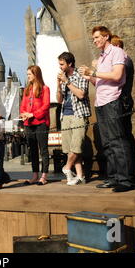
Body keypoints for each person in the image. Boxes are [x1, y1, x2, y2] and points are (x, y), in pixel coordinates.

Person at [78, 26, 135, 192]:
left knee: (118, 140)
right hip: (101, 102)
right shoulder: (102, 56)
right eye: (94, 38)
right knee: (107, 142)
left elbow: (117, 76)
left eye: (97, 37)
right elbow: (101, 81)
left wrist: (94, 71)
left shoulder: (116, 51)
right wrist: (90, 77)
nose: (95, 40)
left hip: (112, 101)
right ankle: (113, 177)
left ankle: (125, 180)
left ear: (106, 36)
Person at [56, 52, 91, 185]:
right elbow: (59, 100)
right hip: (65, 115)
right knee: (69, 148)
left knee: (76, 146)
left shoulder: (80, 75)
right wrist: (59, 85)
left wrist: (67, 82)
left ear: (70, 63)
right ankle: (80, 176)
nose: (60, 67)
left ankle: (66, 168)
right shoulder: (63, 77)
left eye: (62, 64)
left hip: (79, 114)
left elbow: (81, 94)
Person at [110, 35, 135, 180]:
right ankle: (125, 173)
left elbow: (117, 78)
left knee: (122, 138)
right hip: (123, 100)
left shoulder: (124, 61)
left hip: (122, 101)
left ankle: (127, 174)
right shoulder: (126, 60)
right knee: (123, 136)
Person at [20, 65, 51, 185]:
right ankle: (34, 175)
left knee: (43, 150)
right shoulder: (27, 90)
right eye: (27, 74)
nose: (28, 76)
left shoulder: (45, 88)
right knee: (32, 150)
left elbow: (46, 106)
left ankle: (44, 176)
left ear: (36, 74)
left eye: (29, 74)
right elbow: (23, 105)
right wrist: (23, 114)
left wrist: (33, 114)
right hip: (28, 123)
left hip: (41, 123)